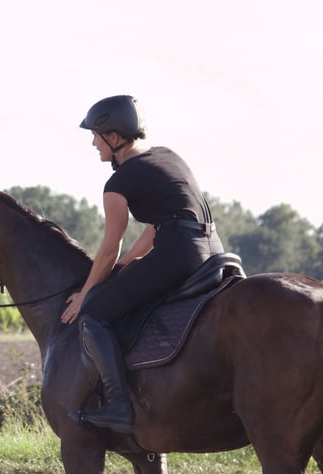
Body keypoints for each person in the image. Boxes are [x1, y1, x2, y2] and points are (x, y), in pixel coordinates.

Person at [60, 95, 225, 434]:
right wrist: (129, 263)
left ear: (115, 137)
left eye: (96, 135)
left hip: (178, 252)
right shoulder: (167, 156)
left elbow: (108, 247)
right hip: (212, 249)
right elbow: (157, 223)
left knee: (94, 314)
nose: (93, 143)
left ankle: (119, 407)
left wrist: (86, 293)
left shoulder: (118, 183)